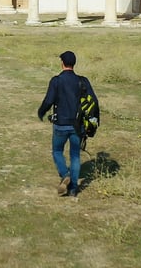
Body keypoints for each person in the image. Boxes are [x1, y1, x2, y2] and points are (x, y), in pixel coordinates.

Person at [37, 50, 98, 197]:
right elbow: (94, 102)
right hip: (78, 126)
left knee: (57, 151)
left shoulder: (56, 80)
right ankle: (72, 190)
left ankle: (65, 175)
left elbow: (49, 100)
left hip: (60, 125)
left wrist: (41, 112)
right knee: (75, 155)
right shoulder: (83, 81)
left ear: (62, 63)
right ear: (73, 64)